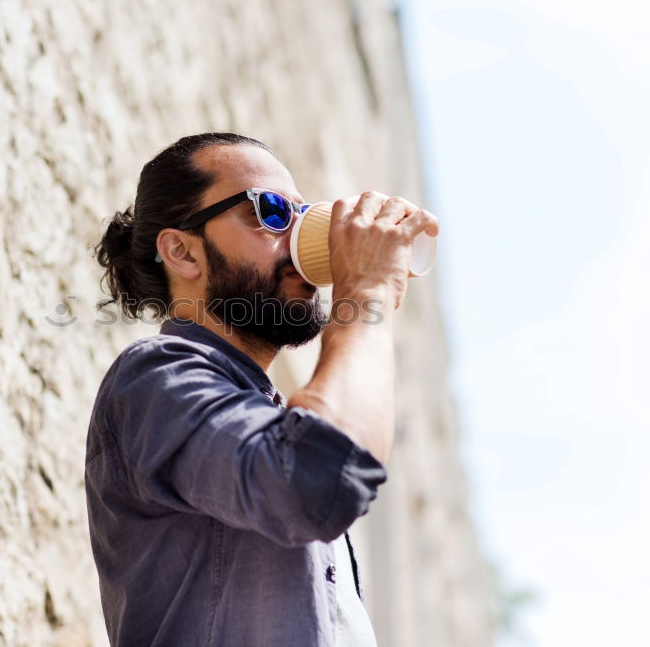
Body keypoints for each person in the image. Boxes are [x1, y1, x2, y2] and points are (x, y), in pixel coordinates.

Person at [86, 133, 439, 646]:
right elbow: (316, 480)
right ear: (183, 252)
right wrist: (365, 293)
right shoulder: (156, 377)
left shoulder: (273, 415)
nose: (298, 236)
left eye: (303, 214)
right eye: (272, 211)